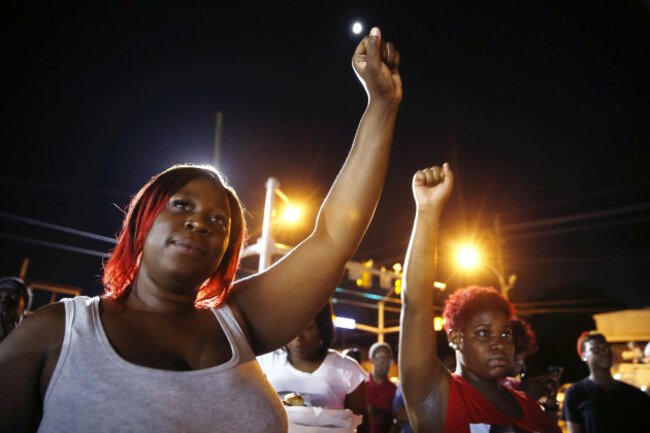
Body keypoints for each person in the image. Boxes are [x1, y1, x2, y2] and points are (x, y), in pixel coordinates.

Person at [0, 26, 402, 433]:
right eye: (181, 205)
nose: (199, 222)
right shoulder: (58, 332)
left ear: (227, 253)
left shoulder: (240, 323)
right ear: (143, 221)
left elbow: (333, 238)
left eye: (219, 221)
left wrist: (381, 105)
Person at [398, 163, 560, 433]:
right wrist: (427, 211)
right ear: (455, 339)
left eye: (505, 334)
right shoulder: (437, 397)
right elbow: (415, 306)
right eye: (484, 334)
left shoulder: (533, 410)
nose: (499, 344)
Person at [257, 302, 369, 431]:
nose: (299, 337)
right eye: (293, 327)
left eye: (308, 327)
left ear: (322, 330)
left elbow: (361, 424)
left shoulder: (347, 369)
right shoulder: (264, 362)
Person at [561, 331, 650, 432]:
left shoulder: (635, 395)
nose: (605, 352)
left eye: (606, 348)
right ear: (584, 356)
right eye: (596, 349)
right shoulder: (575, 393)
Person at [366, 342, 396, 433]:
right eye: (379, 357)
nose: (383, 362)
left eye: (387, 359)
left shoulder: (394, 390)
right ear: (371, 360)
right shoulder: (360, 386)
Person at [0, 277, 32, 343]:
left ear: (24, 307)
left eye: (13, 298)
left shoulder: (28, 341)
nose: (5, 302)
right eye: (0, 297)